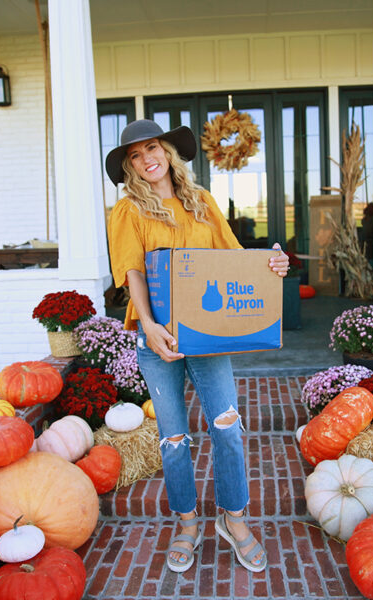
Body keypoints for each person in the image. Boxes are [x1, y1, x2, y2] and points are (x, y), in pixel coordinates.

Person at [105, 119, 289, 574]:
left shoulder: (202, 202)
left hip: (208, 337)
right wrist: (147, 326)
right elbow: (133, 275)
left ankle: (235, 520)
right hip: (159, 339)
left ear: (168, 152)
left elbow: (234, 259)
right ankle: (187, 524)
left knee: (227, 427)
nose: (146, 159)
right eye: (135, 155)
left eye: (152, 148)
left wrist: (273, 263)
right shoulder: (128, 211)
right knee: (172, 439)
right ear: (130, 166)